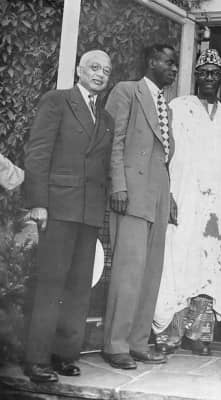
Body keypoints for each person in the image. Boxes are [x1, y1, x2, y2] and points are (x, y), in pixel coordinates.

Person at [23, 50, 113, 382]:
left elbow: (103, 168)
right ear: (79, 69)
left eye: (106, 70)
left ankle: (64, 354)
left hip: (89, 212)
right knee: (50, 284)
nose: (100, 74)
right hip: (59, 208)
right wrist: (38, 202)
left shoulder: (106, 119)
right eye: (94, 67)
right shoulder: (57, 101)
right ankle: (36, 360)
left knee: (79, 287)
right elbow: (38, 152)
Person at [152, 49, 221, 356]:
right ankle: (171, 334)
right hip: (183, 197)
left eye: (214, 73)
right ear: (196, 76)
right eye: (203, 72)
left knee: (209, 263)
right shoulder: (178, 108)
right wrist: (168, 195)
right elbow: (164, 155)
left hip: (216, 207)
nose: (209, 78)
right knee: (177, 261)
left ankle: (200, 336)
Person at [102, 44, 178, 369]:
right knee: (128, 271)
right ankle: (115, 344)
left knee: (151, 272)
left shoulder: (166, 107)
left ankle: (138, 342)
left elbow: (163, 158)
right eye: (169, 62)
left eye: (175, 64)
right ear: (151, 61)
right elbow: (114, 141)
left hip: (157, 196)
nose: (174, 69)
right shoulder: (127, 91)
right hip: (131, 193)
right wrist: (118, 185)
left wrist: (168, 197)